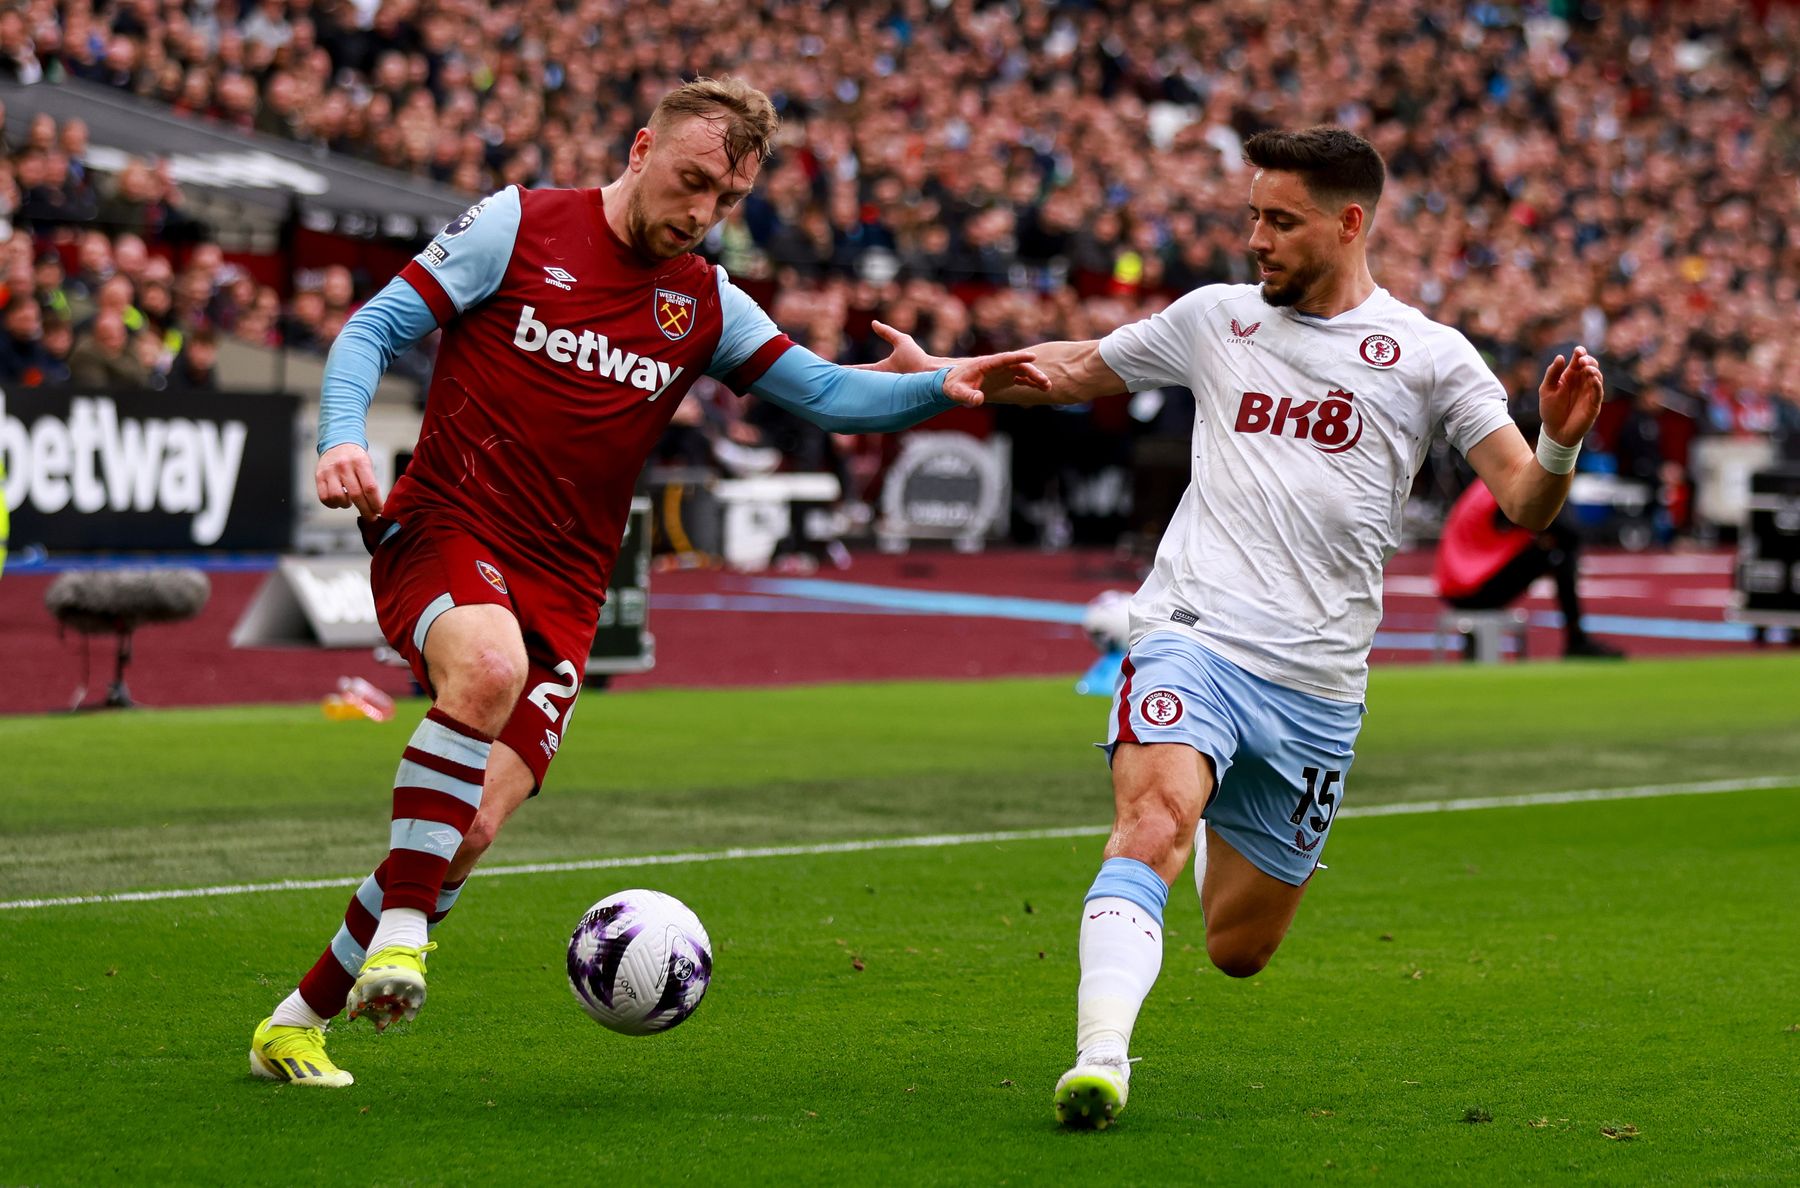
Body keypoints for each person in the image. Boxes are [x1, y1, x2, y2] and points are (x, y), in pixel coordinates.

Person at [249, 77, 1046, 1089]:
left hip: (570, 588)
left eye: (725, 201)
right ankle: (403, 938)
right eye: (693, 181)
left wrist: (942, 384)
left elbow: (830, 395)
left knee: (469, 830)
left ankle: (294, 1022)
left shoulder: (703, 300)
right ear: (640, 147)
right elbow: (371, 330)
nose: (702, 213)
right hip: (449, 525)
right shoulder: (519, 223)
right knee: (485, 670)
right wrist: (342, 439)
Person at [902, 126, 1605, 1128]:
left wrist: (1563, 441)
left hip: (1318, 684)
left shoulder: (1429, 357)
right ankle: (1102, 1057)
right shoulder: (1215, 320)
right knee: (1149, 825)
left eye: (1281, 221)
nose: (1257, 240)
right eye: (1252, 218)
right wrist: (942, 371)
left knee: (1239, 948)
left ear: (1348, 223)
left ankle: (1203, 820)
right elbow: (1069, 367)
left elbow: (1526, 503)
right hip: (1194, 633)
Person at [1434, 477, 1624, 659]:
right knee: (1557, 554)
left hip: (1454, 585)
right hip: (1471, 588)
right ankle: (1576, 640)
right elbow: (1568, 532)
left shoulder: (1495, 476)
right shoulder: (1520, 482)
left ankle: (1577, 640)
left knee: (1552, 547)